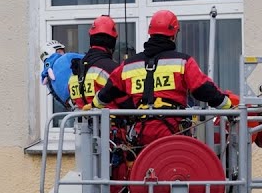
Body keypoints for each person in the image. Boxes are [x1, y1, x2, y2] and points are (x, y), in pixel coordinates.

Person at [91, 9, 239, 148]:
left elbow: (108, 92)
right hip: (172, 132)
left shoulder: (129, 65)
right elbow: (203, 89)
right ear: (174, 35)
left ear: (150, 33)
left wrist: (93, 106)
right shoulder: (183, 62)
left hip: (141, 134)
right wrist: (228, 106)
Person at [68, 16, 121, 110]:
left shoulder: (76, 70)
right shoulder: (112, 69)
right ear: (113, 41)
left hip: (81, 123)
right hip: (111, 123)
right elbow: (126, 102)